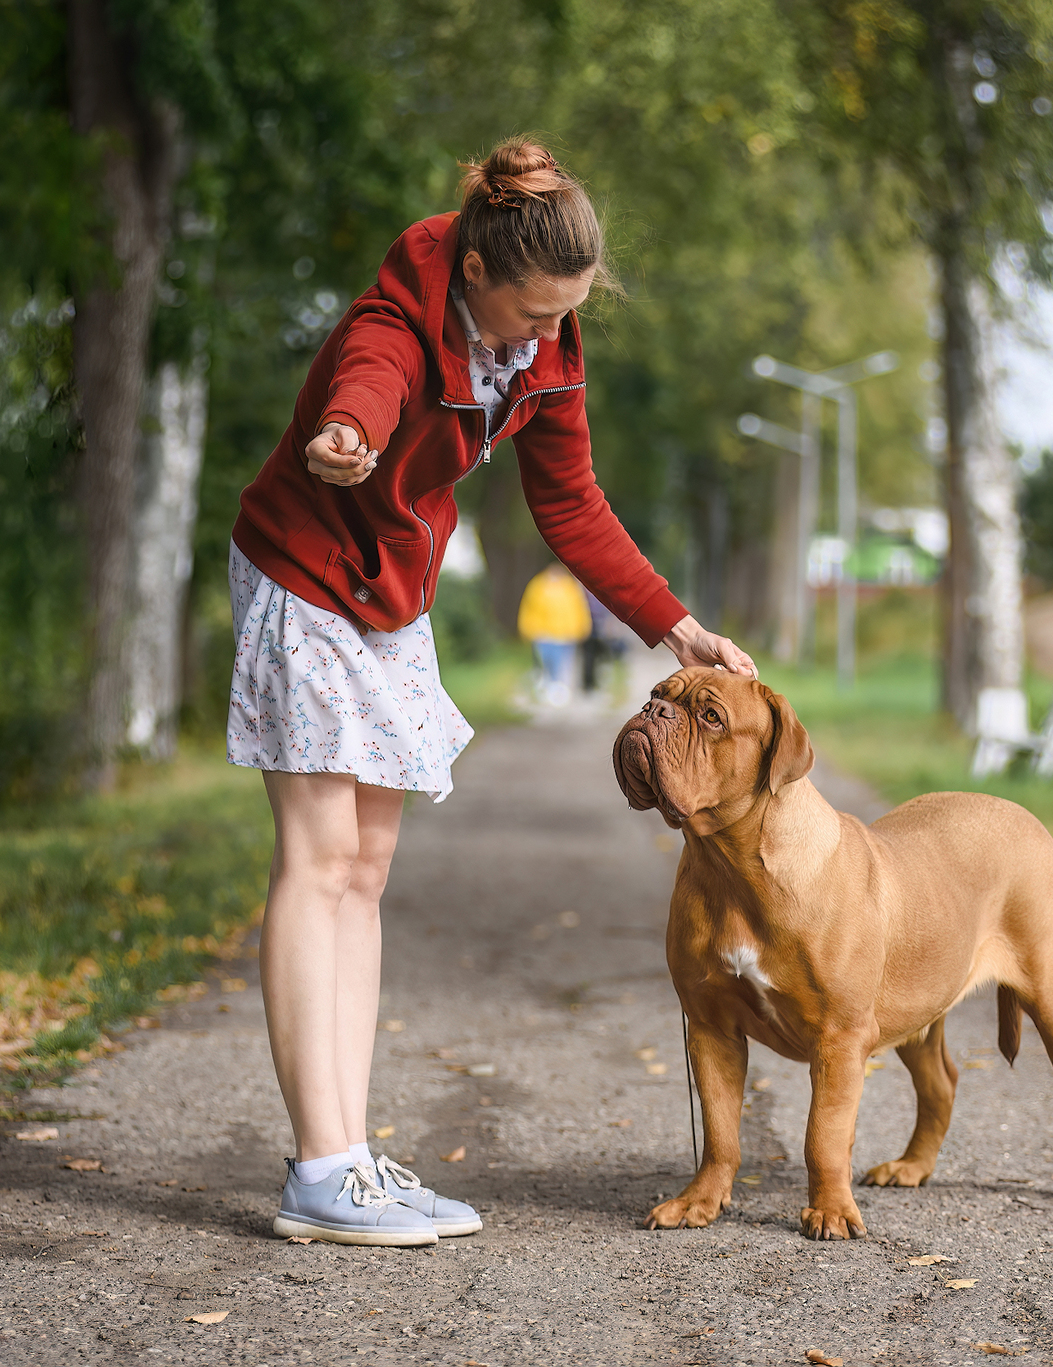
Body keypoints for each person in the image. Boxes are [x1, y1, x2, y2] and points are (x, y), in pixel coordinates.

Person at [227, 136, 756, 1246]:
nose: (547, 334)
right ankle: (320, 1168)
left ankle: (350, 1155)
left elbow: (571, 506)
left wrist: (674, 625)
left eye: (565, 314)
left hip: (389, 594)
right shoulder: (397, 315)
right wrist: (346, 434)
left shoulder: (546, 351)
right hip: (309, 578)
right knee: (317, 861)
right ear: (473, 274)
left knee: (363, 872)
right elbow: (365, 383)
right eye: (531, 314)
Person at [517, 561, 592, 705]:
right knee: (546, 664)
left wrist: (583, 627)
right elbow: (529, 608)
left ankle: (559, 692)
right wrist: (528, 628)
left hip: (566, 635)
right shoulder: (538, 586)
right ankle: (549, 689)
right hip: (543, 634)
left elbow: (580, 608)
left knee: (563, 665)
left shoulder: (570, 587)